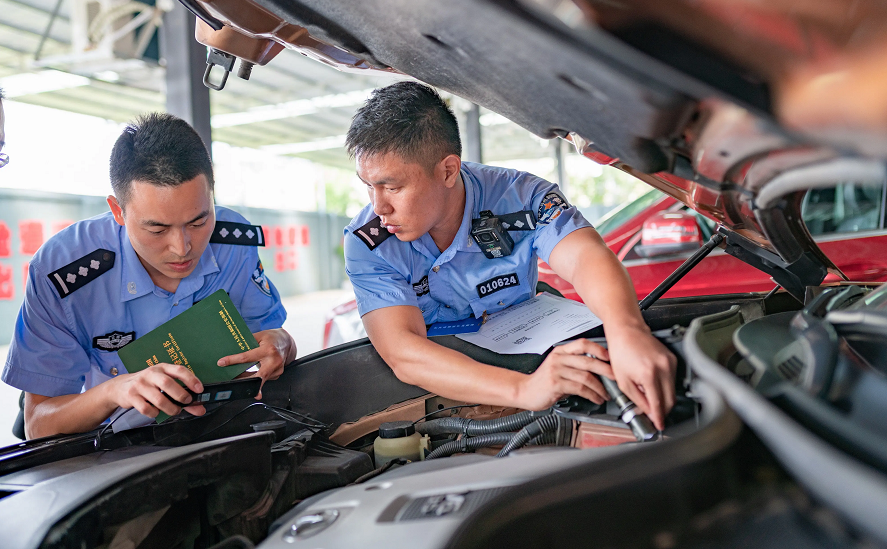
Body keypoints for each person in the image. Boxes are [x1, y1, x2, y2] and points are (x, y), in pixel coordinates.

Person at [343, 82, 677, 430]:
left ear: (447, 170)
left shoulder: (523, 198)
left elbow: (583, 257)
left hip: (533, 358)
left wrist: (627, 331)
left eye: (392, 187)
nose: (378, 206)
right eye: (368, 184)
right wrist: (526, 389)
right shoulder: (369, 243)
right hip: (444, 390)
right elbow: (403, 353)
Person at [2, 113, 297, 439]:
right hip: (114, 451)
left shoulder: (233, 244)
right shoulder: (66, 273)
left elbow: (271, 337)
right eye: (157, 228)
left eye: (198, 222)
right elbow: (39, 424)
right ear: (118, 211)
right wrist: (113, 391)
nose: (182, 247)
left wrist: (282, 344)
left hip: (219, 429)